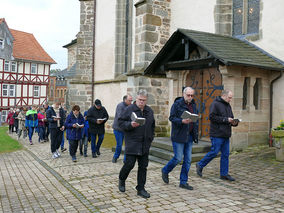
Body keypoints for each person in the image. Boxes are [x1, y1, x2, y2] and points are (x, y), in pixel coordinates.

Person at [118, 89, 155, 199]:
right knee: (129, 164)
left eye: (144, 100)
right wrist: (130, 125)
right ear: (136, 99)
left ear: (146, 100)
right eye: (140, 100)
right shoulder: (129, 109)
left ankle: (141, 188)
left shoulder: (149, 111)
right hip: (132, 143)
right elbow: (120, 122)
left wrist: (150, 138)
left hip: (145, 144)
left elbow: (152, 125)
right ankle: (122, 179)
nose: (141, 102)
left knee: (143, 167)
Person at [196, 90, 238, 181]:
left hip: (226, 134)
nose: (230, 99)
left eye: (231, 97)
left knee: (226, 155)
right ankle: (200, 164)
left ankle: (224, 174)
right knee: (214, 152)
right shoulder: (215, 104)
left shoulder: (228, 105)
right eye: (229, 97)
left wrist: (234, 122)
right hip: (217, 134)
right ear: (224, 95)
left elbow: (230, 117)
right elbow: (212, 117)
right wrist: (226, 120)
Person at [161, 87, 199, 190]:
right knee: (178, 158)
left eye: (192, 95)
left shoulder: (194, 105)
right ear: (183, 94)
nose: (190, 97)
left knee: (188, 160)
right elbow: (171, 118)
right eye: (188, 95)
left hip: (190, 136)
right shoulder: (177, 104)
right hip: (179, 135)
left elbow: (195, 119)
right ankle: (165, 170)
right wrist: (182, 121)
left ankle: (183, 181)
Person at [112, 94, 133, 163]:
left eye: (131, 100)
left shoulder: (130, 106)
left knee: (127, 145)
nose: (131, 102)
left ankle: (125, 159)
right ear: (125, 100)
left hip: (126, 129)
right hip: (118, 129)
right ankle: (115, 157)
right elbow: (121, 117)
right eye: (129, 100)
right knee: (119, 145)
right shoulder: (120, 106)